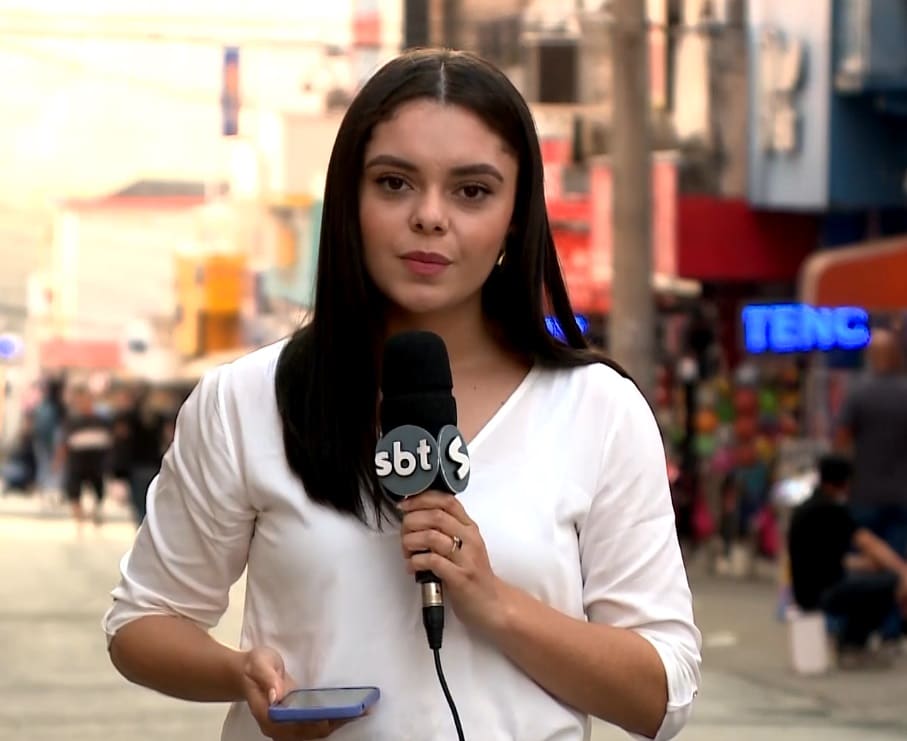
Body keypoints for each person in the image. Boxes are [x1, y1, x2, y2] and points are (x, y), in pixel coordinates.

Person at [103, 49, 700, 741]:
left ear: (516, 214)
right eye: (394, 183)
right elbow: (140, 622)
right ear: (349, 198)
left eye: (472, 191)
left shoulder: (597, 409)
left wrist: (494, 601)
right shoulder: (245, 400)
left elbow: (663, 691)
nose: (429, 217)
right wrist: (238, 671)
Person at [788, 455, 907, 668]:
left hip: (804, 589)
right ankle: (853, 644)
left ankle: (849, 643)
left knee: (871, 579)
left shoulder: (805, 508)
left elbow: (825, 558)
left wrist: (865, 565)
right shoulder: (832, 509)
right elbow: (868, 543)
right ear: (843, 482)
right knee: (889, 582)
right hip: (823, 590)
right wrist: (902, 570)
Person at [57, 385, 113, 531]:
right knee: (74, 490)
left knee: (98, 489)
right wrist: (58, 460)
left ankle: (95, 513)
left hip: (96, 460)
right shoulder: (72, 421)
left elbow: (110, 440)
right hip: (77, 460)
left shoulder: (102, 421)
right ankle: (79, 522)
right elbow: (64, 443)